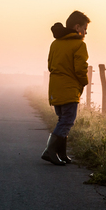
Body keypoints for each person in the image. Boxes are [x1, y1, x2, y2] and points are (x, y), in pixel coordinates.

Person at [41, 11, 90, 165]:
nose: (86, 32)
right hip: (69, 89)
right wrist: (84, 81)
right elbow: (80, 69)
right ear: (77, 27)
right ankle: (49, 151)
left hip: (55, 89)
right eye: (85, 28)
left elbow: (50, 65)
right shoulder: (79, 45)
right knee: (67, 121)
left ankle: (61, 153)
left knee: (63, 119)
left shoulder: (55, 44)